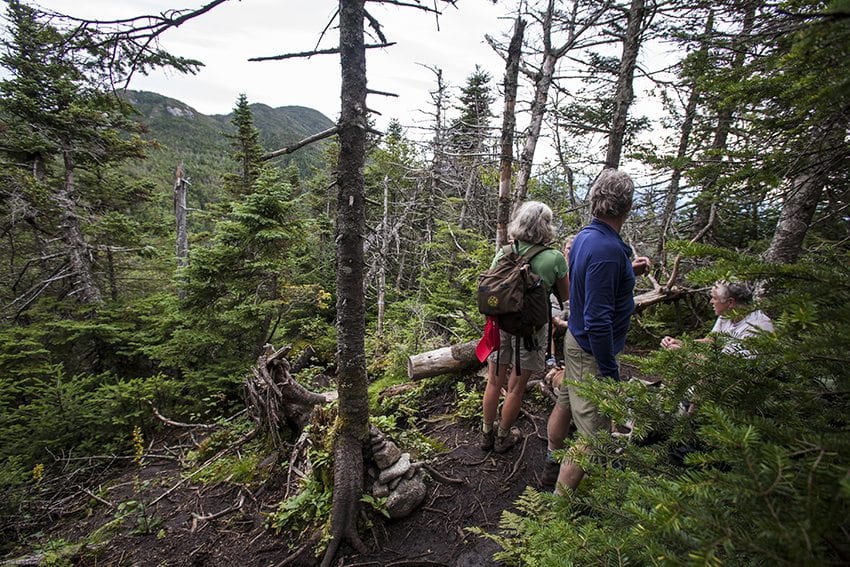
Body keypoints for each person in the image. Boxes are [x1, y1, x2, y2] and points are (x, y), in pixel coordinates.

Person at [542, 169, 650, 492]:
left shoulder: (588, 237)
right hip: (592, 351)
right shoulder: (606, 250)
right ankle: (557, 516)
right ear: (626, 207)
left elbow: (593, 285)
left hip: (577, 342)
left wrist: (627, 269)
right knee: (593, 438)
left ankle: (552, 461)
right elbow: (598, 319)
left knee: (564, 401)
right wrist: (608, 370)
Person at [481, 201, 569, 454]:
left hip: (500, 326)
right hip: (530, 333)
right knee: (516, 388)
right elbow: (566, 296)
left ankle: (486, 433)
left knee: (494, 383)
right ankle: (503, 437)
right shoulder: (553, 258)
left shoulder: (505, 251)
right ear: (545, 226)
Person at [661, 280, 774, 358]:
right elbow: (711, 341)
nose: (711, 302)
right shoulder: (727, 315)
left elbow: (727, 367)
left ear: (730, 302)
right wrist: (681, 343)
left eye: (714, 298)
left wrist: (685, 353)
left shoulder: (757, 327)